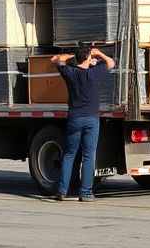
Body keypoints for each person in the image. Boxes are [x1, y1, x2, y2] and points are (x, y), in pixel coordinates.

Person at [50, 46, 116, 202]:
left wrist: (73, 55)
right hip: (92, 119)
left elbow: (55, 59)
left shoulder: (70, 72)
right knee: (88, 155)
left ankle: (62, 190)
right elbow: (111, 62)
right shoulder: (94, 73)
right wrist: (98, 53)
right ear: (88, 58)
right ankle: (85, 192)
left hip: (75, 118)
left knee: (69, 154)